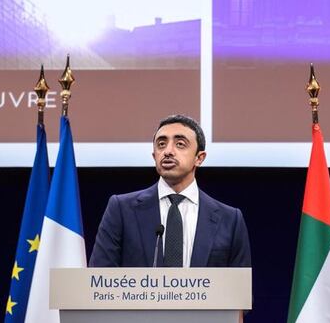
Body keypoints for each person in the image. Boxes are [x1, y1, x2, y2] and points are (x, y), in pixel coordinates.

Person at [89, 114, 251, 268]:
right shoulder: (121, 209)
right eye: (161, 144)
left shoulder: (229, 219)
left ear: (199, 158)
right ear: (154, 156)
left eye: (180, 144)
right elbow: (99, 280)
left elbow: (239, 292)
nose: (168, 151)